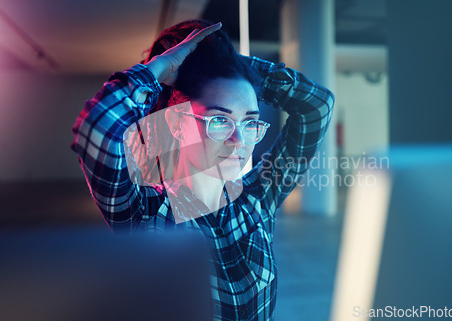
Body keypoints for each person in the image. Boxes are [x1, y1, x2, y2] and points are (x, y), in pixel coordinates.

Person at [71, 19, 334, 321]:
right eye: (220, 121)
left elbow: (318, 106)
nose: (239, 141)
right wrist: (159, 68)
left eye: (250, 123)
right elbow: (97, 128)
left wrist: (229, 63)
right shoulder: (144, 215)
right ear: (176, 124)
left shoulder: (258, 199)